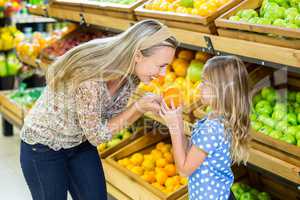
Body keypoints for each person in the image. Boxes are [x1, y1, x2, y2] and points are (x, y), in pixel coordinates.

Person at [20, 19, 178, 200]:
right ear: (137, 55)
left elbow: (108, 119)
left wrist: (144, 108)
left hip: (81, 142)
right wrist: (138, 108)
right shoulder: (91, 76)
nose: (163, 74)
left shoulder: (132, 76)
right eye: (161, 65)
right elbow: (97, 135)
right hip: (44, 147)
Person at [160, 56, 251, 200]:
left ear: (221, 91)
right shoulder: (216, 120)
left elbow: (184, 169)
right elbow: (188, 152)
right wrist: (177, 120)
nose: (199, 86)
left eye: (204, 82)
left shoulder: (212, 129)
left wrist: (174, 127)